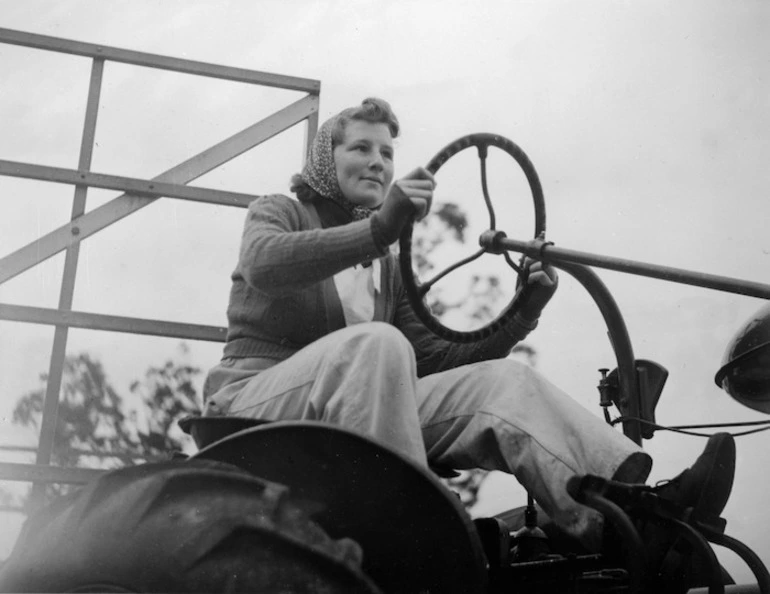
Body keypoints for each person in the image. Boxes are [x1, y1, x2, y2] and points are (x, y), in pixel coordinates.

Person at [202, 97, 734, 570]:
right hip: (256, 404)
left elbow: (433, 361)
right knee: (378, 345)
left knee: (502, 383)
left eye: (386, 154)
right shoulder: (280, 213)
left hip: (359, 404)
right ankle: (417, 538)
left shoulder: (387, 266)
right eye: (361, 148)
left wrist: (523, 311)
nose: (378, 162)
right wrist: (378, 229)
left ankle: (630, 515)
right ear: (325, 158)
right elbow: (264, 264)